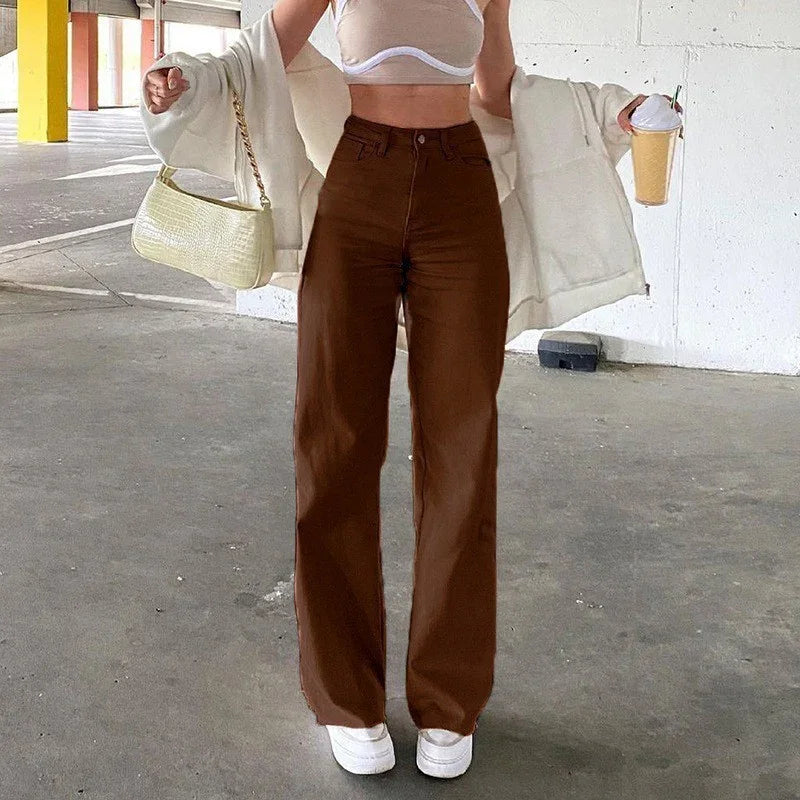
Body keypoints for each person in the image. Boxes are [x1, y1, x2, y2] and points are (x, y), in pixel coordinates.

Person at [142, 0, 680, 780]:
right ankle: (346, 701)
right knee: (333, 443)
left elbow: (500, 94)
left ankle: (448, 701)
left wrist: (612, 109)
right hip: (358, 182)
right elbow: (260, 54)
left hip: (461, 192)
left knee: (463, 448)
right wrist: (184, 81)